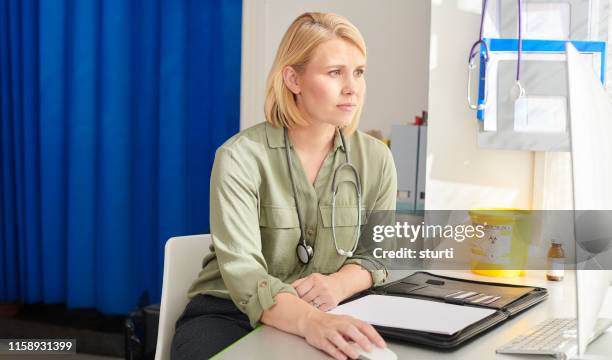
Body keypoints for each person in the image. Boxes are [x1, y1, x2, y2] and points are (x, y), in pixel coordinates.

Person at [171, 12, 397, 360]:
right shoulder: (239, 158)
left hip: (329, 311)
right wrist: (311, 322)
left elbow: (378, 254)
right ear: (293, 78)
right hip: (229, 314)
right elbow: (245, 274)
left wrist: (337, 285)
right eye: (335, 72)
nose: (352, 87)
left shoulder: (376, 160)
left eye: (359, 72)